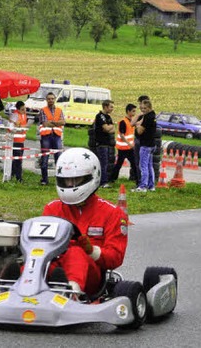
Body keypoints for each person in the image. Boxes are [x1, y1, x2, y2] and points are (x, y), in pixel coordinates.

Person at [42, 148, 128, 296]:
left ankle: (71, 293)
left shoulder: (112, 213)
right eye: (66, 180)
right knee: (35, 258)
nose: (70, 185)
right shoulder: (52, 209)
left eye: (76, 180)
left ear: (92, 177)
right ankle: (14, 287)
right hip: (56, 265)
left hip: (90, 274)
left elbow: (115, 258)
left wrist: (91, 250)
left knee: (76, 252)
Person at [109, 103, 139, 187]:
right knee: (119, 164)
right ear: (128, 111)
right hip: (123, 148)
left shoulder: (132, 121)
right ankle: (112, 179)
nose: (134, 113)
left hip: (129, 148)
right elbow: (122, 135)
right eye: (133, 111)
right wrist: (129, 144)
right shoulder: (123, 122)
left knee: (133, 164)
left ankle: (138, 181)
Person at [38, 92, 65, 185]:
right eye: (49, 99)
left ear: (55, 99)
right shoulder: (43, 110)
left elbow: (63, 122)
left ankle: (60, 179)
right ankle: (44, 180)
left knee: (59, 159)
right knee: (45, 158)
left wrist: (52, 122)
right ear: (46, 100)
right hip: (46, 136)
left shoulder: (59, 110)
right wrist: (56, 122)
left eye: (52, 98)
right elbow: (45, 123)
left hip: (56, 136)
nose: (51, 100)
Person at [132, 99, 157, 192]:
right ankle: (151, 186)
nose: (143, 110)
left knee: (143, 166)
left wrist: (137, 125)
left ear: (149, 107)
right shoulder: (153, 115)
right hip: (152, 144)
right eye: (141, 108)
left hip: (145, 145)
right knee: (150, 166)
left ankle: (143, 186)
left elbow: (139, 131)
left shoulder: (147, 117)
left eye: (145, 108)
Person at [93, 99, 115, 188]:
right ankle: (103, 182)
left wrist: (110, 127)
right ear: (105, 107)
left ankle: (104, 180)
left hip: (107, 143)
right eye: (111, 107)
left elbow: (113, 130)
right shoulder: (100, 116)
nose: (112, 109)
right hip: (101, 143)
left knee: (106, 162)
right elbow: (106, 128)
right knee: (103, 163)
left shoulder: (108, 117)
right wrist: (110, 127)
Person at [9, 101, 28, 182]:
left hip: (21, 140)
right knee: (18, 160)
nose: (24, 111)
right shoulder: (15, 115)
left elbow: (24, 124)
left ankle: (12, 174)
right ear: (18, 109)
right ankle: (19, 178)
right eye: (22, 109)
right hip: (15, 140)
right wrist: (17, 126)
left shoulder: (24, 115)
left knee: (17, 159)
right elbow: (10, 128)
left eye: (25, 109)